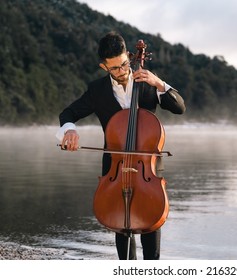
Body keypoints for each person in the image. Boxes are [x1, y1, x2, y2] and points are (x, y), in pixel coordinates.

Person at [56, 31, 186, 260]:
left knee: (150, 228)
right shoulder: (97, 90)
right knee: (122, 225)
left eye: (124, 64)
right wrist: (69, 130)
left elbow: (179, 107)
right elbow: (68, 113)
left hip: (149, 167)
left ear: (128, 56)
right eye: (114, 68)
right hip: (115, 168)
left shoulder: (147, 82)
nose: (122, 71)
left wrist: (159, 83)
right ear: (103, 67)